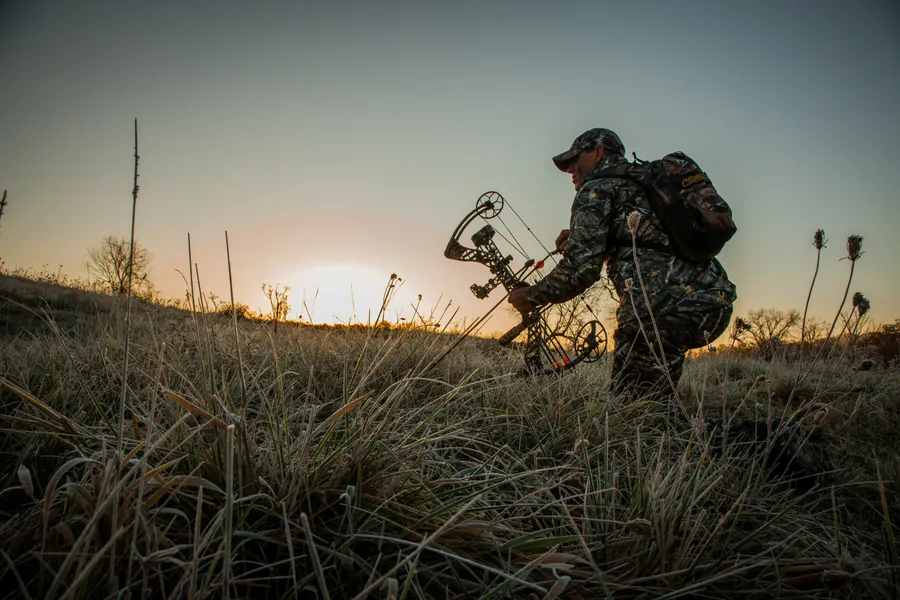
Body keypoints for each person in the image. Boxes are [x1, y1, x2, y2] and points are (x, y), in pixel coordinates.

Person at [508, 128, 737, 397]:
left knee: (635, 409)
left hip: (658, 313)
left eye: (575, 159)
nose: (570, 170)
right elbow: (649, 236)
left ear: (598, 152)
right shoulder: (643, 181)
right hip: (714, 303)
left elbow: (579, 271)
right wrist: (585, 236)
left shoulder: (596, 188)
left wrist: (531, 295)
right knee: (654, 398)